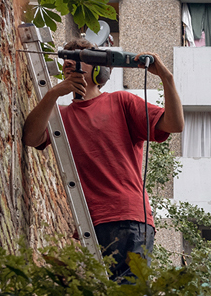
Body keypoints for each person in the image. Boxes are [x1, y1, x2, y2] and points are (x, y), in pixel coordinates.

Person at [22, 38, 184, 278]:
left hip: (128, 219)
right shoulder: (60, 118)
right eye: (67, 57)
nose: (69, 61)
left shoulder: (121, 101)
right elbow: (31, 138)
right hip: (89, 224)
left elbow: (175, 124)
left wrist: (166, 78)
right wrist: (54, 93)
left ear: (99, 69)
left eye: (79, 57)